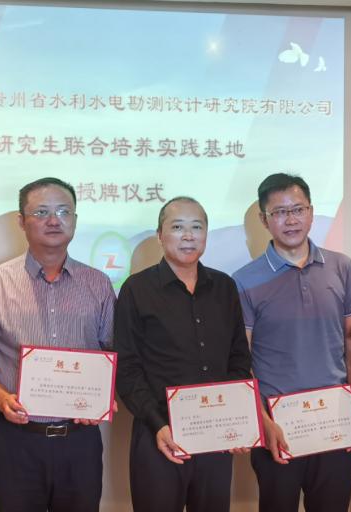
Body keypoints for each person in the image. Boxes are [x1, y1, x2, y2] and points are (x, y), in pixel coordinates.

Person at [0, 177, 115, 512]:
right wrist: (1, 398)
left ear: (75, 220)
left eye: (63, 211)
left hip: (80, 441)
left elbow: (113, 353)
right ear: (21, 221)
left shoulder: (98, 284)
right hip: (16, 441)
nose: (54, 220)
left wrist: (104, 397)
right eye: (41, 212)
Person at [232, 173, 351, 512]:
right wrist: (262, 420)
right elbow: (241, 360)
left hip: (334, 418)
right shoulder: (243, 281)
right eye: (279, 212)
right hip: (278, 424)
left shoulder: (341, 267)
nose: (290, 219)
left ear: (311, 212)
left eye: (298, 209)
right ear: (264, 220)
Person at [115, 196, 252, 512]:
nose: (188, 236)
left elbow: (238, 358)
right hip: (158, 434)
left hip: (215, 433)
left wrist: (234, 417)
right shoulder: (136, 289)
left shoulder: (224, 287)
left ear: (206, 234)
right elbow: (127, 367)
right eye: (177, 227)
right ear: (160, 234)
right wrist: (158, 423)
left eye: (197, 227)